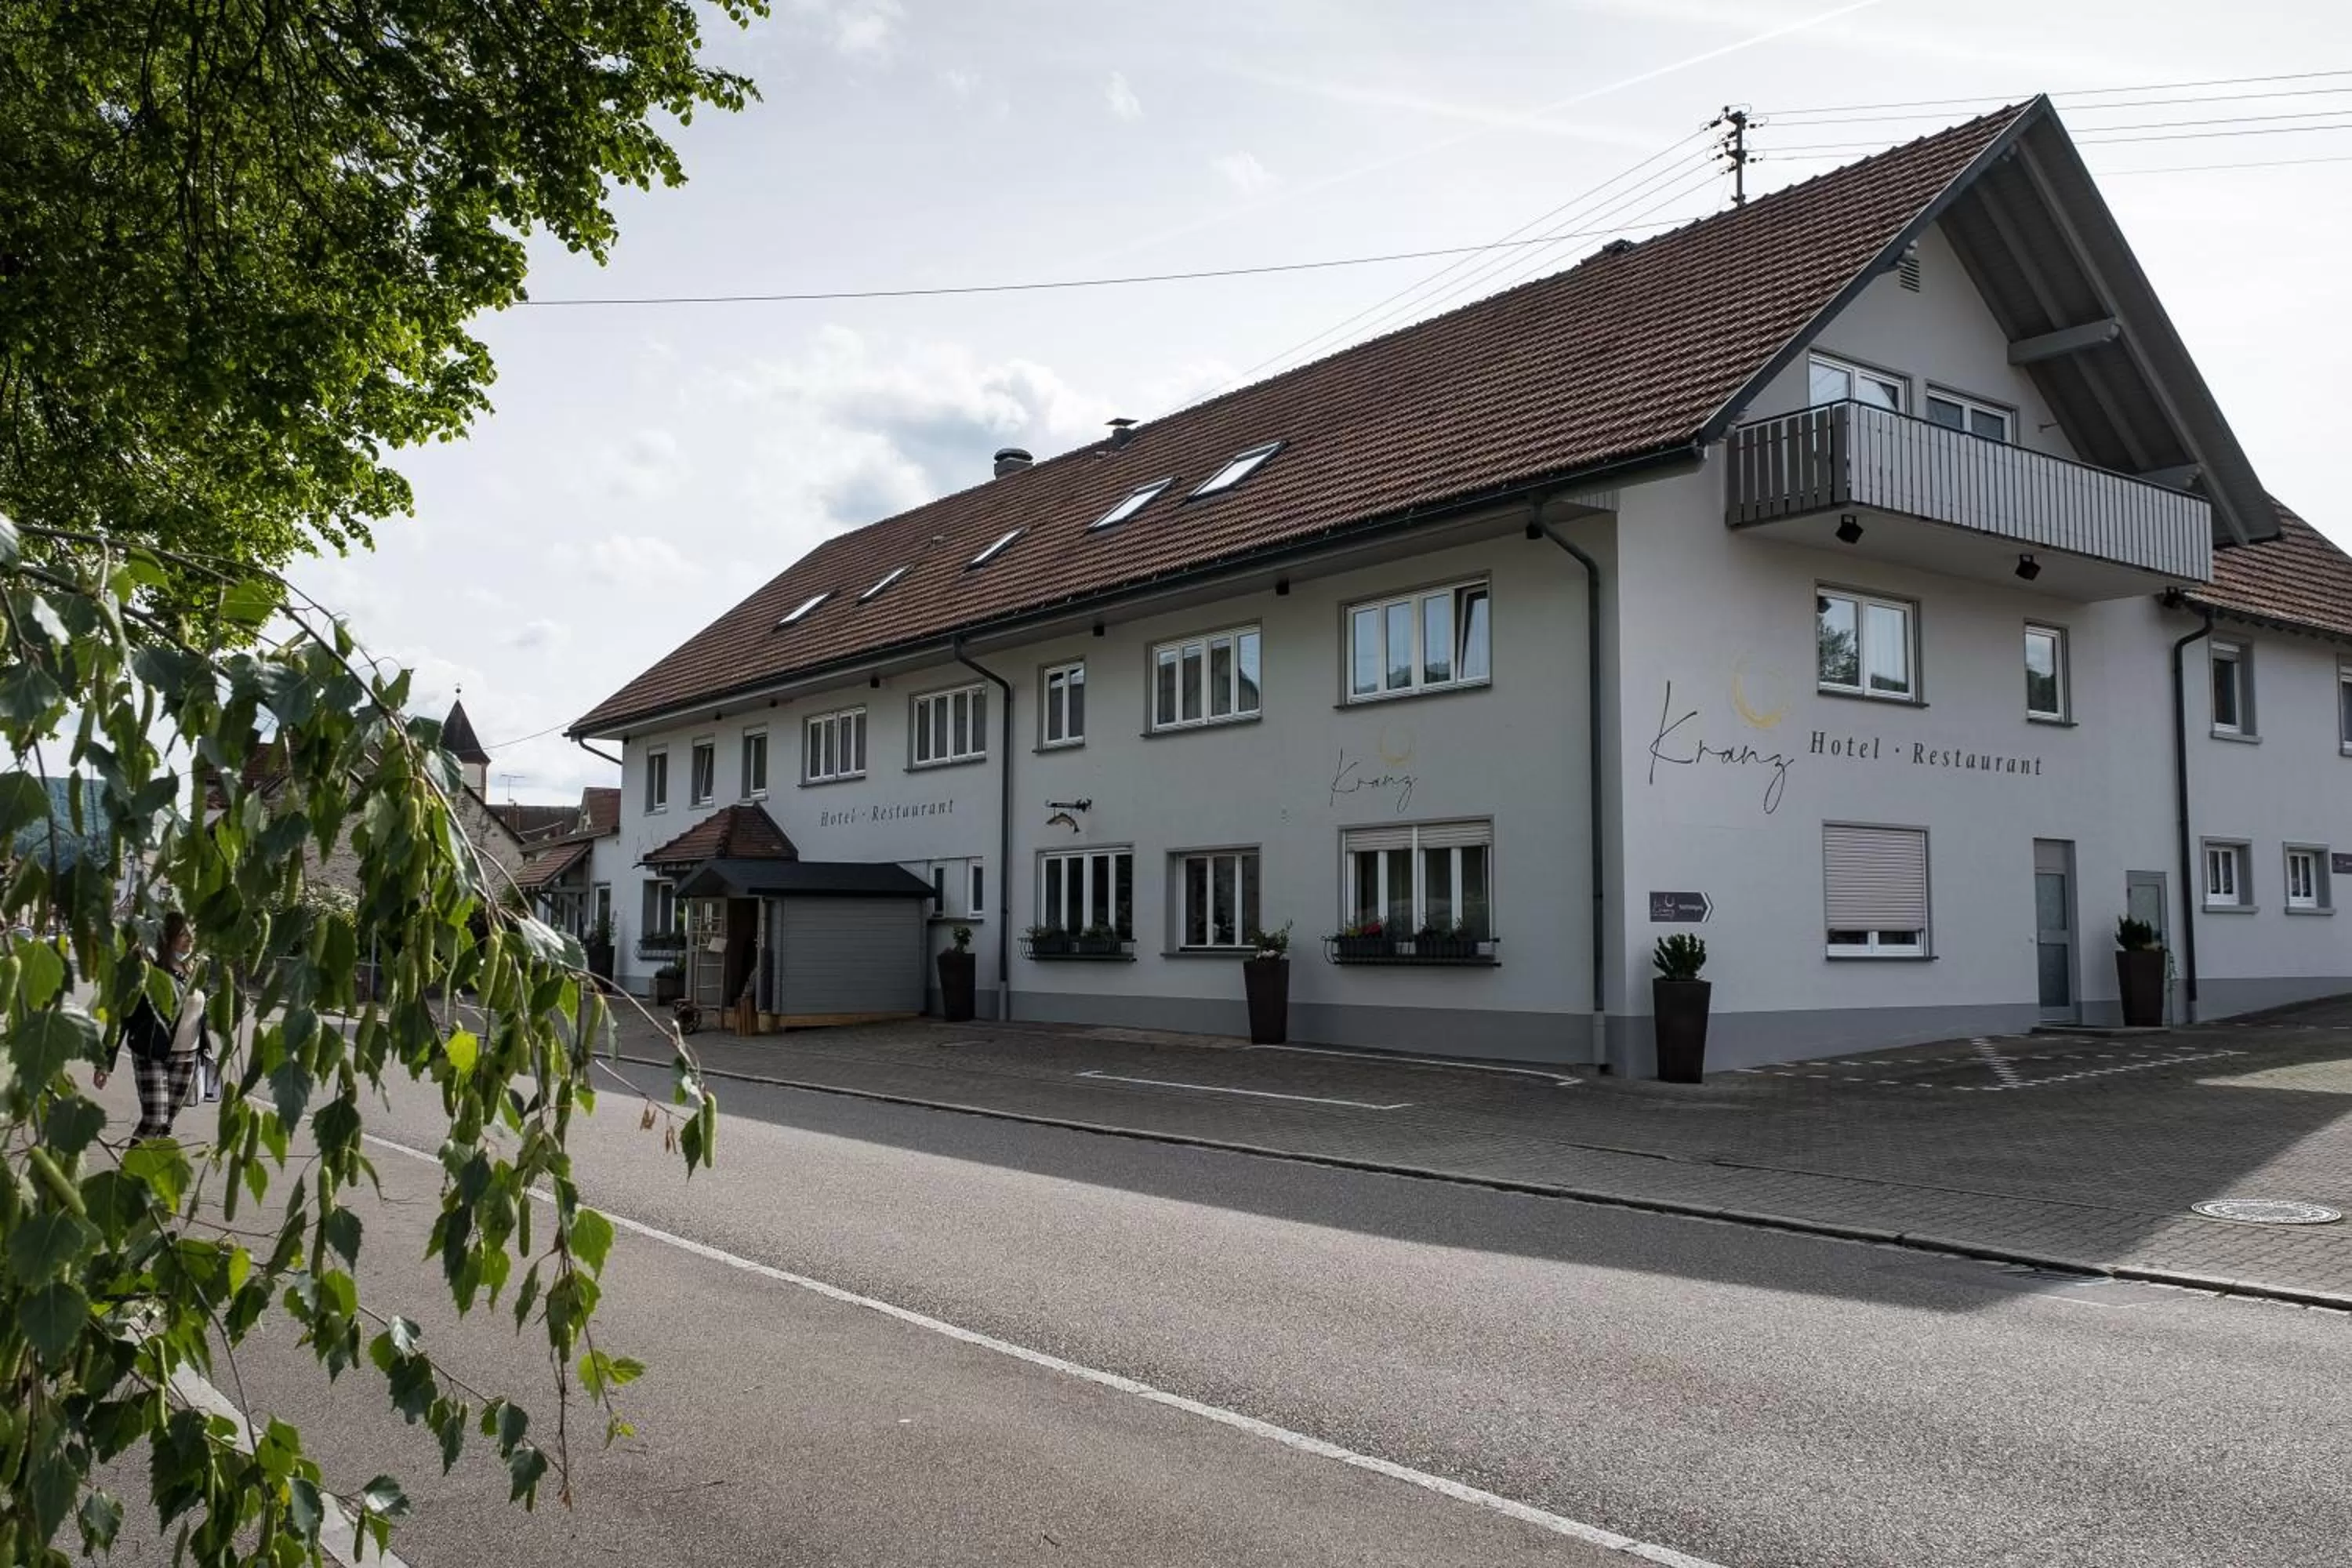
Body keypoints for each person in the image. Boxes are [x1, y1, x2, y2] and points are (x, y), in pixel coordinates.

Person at [93, 912, 211, 1140]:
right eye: (183, 933)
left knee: (166, 1124)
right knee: (154, 1120)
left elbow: (199, 1012)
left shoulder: (198, 969)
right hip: (151, 1053)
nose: (190, 938)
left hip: (187, 1057)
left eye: (192, 932)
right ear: (167, 938)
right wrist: (105, 1062)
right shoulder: (151, 971)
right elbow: (123, 1015)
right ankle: (129, 1171)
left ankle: (149, 1173)